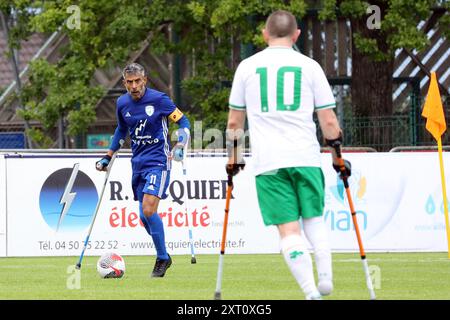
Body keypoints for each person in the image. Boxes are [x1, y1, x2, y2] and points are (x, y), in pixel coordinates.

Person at [225, 10, 351, 300]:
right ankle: (326, 279)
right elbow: (329, 122)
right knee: (314, 220)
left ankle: (310, 293)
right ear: (297, 35)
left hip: (269, 164)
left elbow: (234, 123)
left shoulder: (247, 67)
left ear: (264, 34)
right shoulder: (310, 67)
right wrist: (337, 157)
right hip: (305, 158)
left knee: (288, 230)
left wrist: (234, 157)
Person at [96, 62, 190, 277]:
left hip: (159, 161)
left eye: (138, 81)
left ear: (144, 80)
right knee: (143, 217)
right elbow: (121, 130)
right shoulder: (122, 104)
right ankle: (164, 255)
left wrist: (181, 143)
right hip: (138, 163)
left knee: (148, 210)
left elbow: (183, 121)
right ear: (124, 83)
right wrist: (107, 156)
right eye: (130, 82)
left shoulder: (159, 100)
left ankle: (162, 258)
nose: (134, 86)